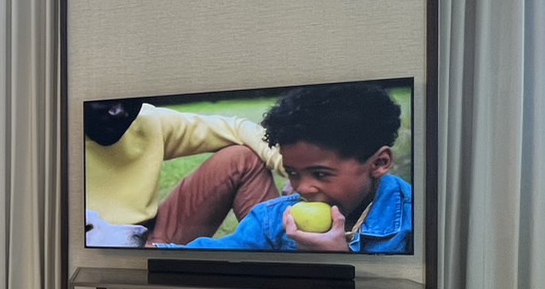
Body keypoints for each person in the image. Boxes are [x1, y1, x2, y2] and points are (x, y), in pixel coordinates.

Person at [172, 82, 412, 254]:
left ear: (379, 163)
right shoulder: (272, 219)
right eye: (293, 173)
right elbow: (218, 254)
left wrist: (338, 260)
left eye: (320, 174)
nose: (302, 188)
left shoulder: (416, 220)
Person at [84, 98, 284, 246]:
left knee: (242, 159)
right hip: (95, 251)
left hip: (150, 236)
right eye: (104, 102)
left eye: (128, 101)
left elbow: (236, 128)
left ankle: (281, 260)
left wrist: (289, 167)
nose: (119, 112)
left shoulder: (147, 122)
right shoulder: (64, 134)